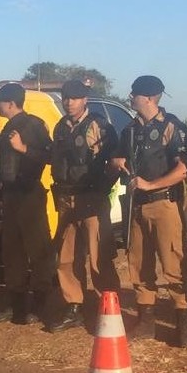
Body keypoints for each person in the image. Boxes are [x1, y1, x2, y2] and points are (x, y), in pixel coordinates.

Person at [110, 75, 187, 346]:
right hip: (137, 206)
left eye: (134, 93)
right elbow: (117, 158)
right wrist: (117, 161)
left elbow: (183, 170)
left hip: (164, 203)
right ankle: (146, 321)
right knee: (139, 263)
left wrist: (150, 184)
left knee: (174, 263)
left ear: (148, 97)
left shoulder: (172, 127)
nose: (130, 97)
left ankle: (183, 324)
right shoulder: (130, 130)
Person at [48, 80, 120, 333]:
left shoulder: (99, 126)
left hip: (91, 199)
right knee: (66, 258)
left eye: (75, 98)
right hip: (67, 200)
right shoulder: (60, 127)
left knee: (99, 257)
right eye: (66, 97)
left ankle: (109, 309)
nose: (69, 102)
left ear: (85, 99)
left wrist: (100, 190)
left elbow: (114, 163)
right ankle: (74, 307)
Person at [0, 82, 54, 325]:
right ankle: (15, 306)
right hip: (12, 195)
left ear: (11, 103)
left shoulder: (34, 125)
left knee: (38, 251)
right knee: (12, 251)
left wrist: (22, 148)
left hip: (30, 194)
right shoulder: (9, 127)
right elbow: (9, 164)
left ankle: (39, 306)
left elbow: (50, 156)